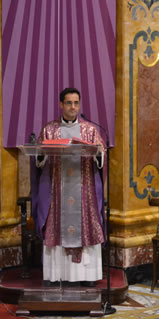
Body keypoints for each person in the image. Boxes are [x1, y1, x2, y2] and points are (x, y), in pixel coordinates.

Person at [32, 87, 105, 286]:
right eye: (68, 103)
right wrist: (40, 154)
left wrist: (99, 152)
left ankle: (87, 276)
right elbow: (40, 159)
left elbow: (100, 159)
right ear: (61, 105)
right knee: (56, 227)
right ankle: (57, 275)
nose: (73, 107)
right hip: (58, 189)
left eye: (76, 103)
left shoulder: (91, 129)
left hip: (84, 189)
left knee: (86, 226)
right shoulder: (50, 130)